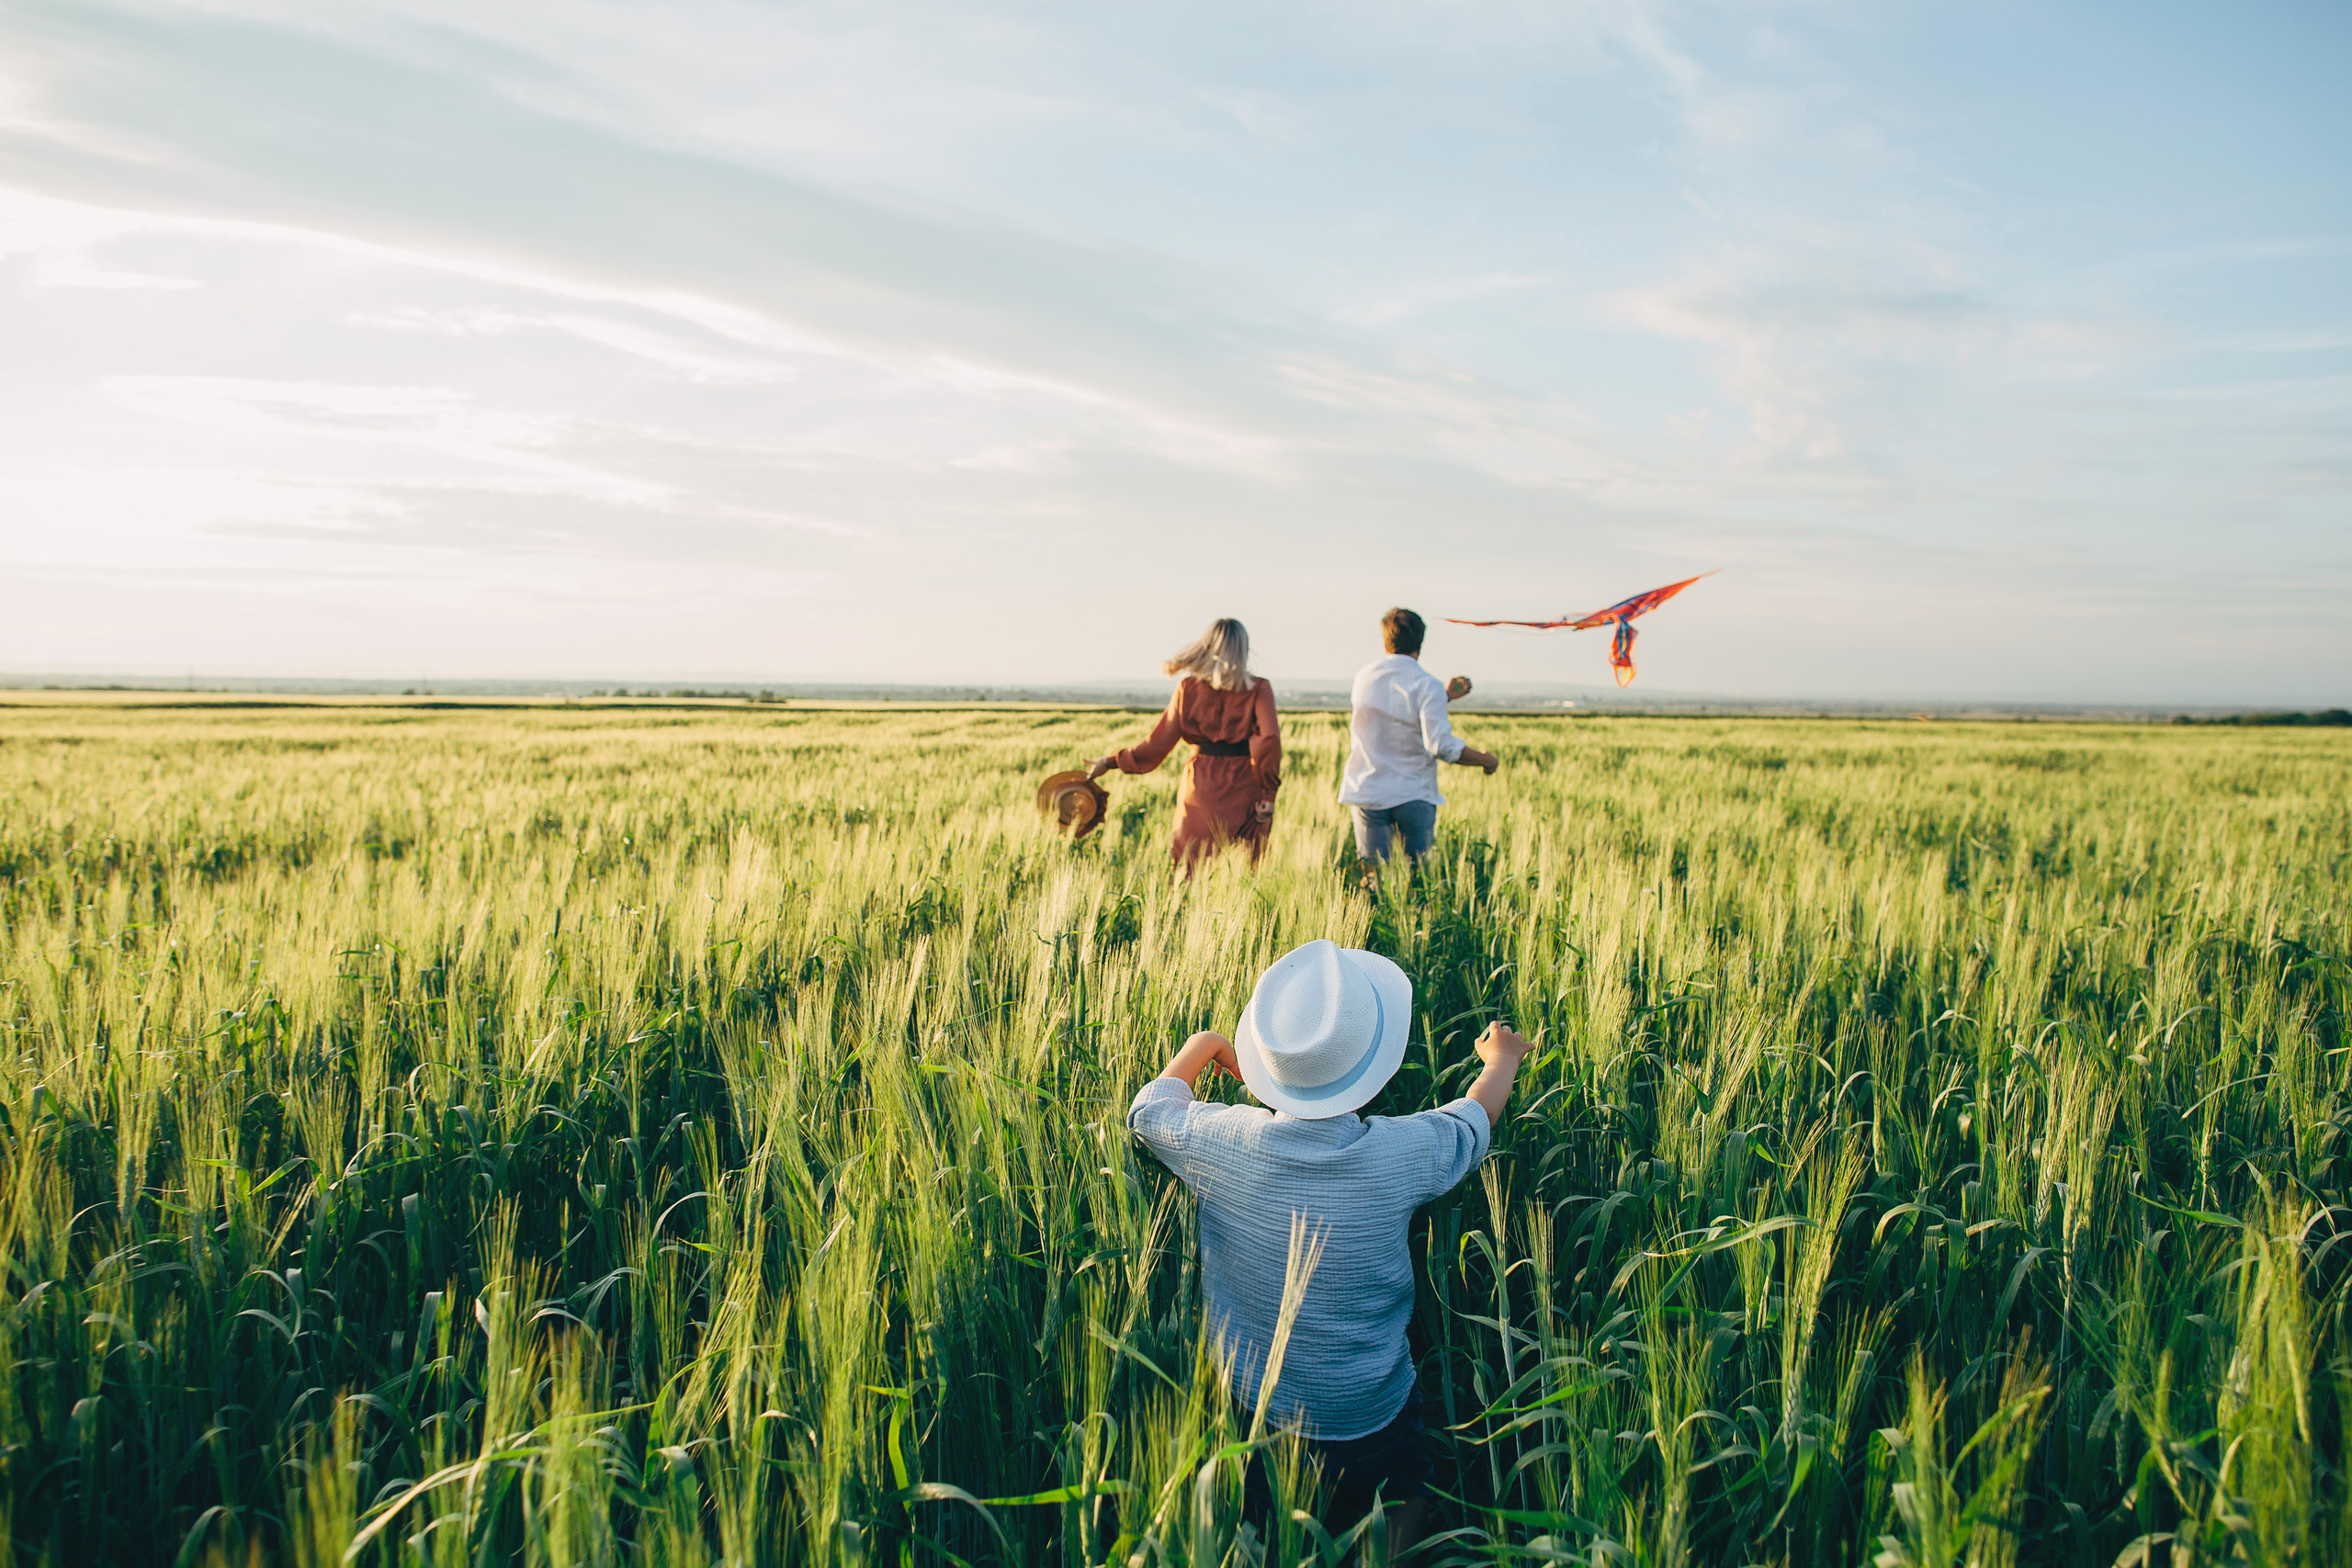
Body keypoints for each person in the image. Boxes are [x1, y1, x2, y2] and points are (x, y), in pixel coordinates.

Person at [1128, 938, 1539, 1550]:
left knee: (1264, 1514)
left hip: (1254, 1404)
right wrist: (1501, 1059)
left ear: (1269, 1063)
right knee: (1407, 1497)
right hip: (1370, 1412)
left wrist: (1205, 1046)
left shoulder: (1219, 1140)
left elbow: (1146, 1111)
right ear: (1369, 1067)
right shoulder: (1399, 1151)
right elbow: (1471, 1121)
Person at [1084, 618, 1281, 871]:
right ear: (1243, 649)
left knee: (1189, 868)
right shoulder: (1259, 689)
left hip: (1201, 786)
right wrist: (1268, 792)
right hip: (1245, 785)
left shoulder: (1188, 687)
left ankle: (1184, 910)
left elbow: (1157, 743)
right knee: (1245, 871)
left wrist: (1110, 761)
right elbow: (1270, 740)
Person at [1338, 607, 1498, 871]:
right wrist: (1486, 760)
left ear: (1385, 640)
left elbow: (1391, 709)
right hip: (1413, 794)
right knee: (1418, 880)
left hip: (1368, 791)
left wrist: (1441, 696)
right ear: (1420, 643)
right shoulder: (1427, 684)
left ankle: (1373, 912)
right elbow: (1439, 745)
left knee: (1373, 877)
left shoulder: (1364, 678)